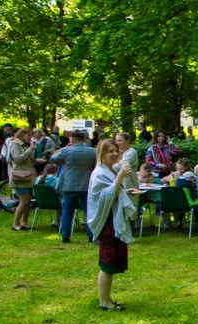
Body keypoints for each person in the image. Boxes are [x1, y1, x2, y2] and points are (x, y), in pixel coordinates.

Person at [87, 140, 139, 311]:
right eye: (110, 151)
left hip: (114, 221)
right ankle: (104, 302)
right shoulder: (99, 173)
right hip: (107, 223)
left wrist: (125, 192)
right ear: (101, 153)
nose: (115, 154)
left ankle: (107, 298)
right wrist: (120, 177)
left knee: (111, 263)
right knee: (107, 264)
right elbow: (105, 197)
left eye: (116, 150)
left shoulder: (109, 170)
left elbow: (114, 192)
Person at [48, 131, 97, 243]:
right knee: (89, 211)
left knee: (67, 211)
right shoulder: (93, 151)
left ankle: (65, 235)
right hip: (86, 185)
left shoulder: (66, 151)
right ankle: (91, 235)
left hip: (69, 185)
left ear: (72, 139)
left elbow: (52, 159)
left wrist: (63, 148)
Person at [6, 127, 37, 231]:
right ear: (22, 134)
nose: (30, 137)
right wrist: (30, 150)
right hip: (20, 178)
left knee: (28, 202)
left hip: (28, 177)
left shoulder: (25, 145)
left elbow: (26, 158)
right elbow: (17, 158)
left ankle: (25, 222)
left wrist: (35, 160)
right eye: (28, 135)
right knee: (24, 201)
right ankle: (15, 224)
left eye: (31, 136)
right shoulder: (15, 144)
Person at [114, 131, 141, 234]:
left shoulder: (131, 152)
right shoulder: (117, 153)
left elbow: (119, 166)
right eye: (116, 140)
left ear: (127, 141)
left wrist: (112, 163)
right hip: (119, 183)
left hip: (129, 183)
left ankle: (130, 232)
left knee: (130, 207)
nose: (118, 143)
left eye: (120, 140)